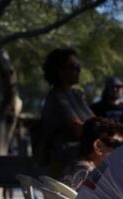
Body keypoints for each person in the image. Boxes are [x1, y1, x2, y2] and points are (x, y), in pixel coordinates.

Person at [40, 47, 94, 178]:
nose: (78, 70)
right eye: (74, 66)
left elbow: (95, 123)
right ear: (59, 70)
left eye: (78, 66)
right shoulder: (57, 98)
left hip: (82, 166)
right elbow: (78, 130)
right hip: (65, 168)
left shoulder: (76, 95)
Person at [61, 117, 123, 190]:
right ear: (98, 146)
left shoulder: (77, 165)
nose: (122, 152)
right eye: (118, 146)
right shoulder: (87, 172)